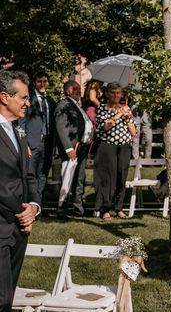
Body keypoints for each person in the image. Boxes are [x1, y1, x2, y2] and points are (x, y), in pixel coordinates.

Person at [0, 70, 43, 312]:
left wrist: (34, 206)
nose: (29, 103)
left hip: (18, 228)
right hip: (3, 223)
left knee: (7, 297)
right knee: (0, 297)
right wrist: (19, 211)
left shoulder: (20, 131)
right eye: (24, 97)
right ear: (5, 97)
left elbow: (31, 177)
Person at [94, 82, 137, 220]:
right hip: (108, 147)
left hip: (124, 147)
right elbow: (104, 127)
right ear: (107, 94)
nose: (116, 95)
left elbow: (134, 132)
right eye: (113, 92)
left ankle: (118, 207)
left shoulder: (126, 109)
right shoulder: (102, 108)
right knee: (107, 178)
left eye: (118, 93)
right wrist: (118, 115)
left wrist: (128, 118)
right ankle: (105, 209)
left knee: (121, 177)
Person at [53, 80, 94, 219]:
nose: (78, 90)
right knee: (68, 178)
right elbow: (61, 127)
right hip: (72, 148)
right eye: (74, 88)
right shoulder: (63, 104)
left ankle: (78, 208)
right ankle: (62, 209)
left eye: (79, 88)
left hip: (81, 148)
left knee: (79, 179)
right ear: (67, 90)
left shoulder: (77, 104)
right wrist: (68, 148)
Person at [23, 71, 56, 205]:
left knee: (42, 176)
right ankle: (27, 204)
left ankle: (38, 206)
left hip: (47, 143)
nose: (42, 84)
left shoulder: (50, 101)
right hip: (32, 143)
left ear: (48, 83)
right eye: (39, 81)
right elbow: (21, 121)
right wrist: (24, 143)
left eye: (44, 81)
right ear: (34, 83)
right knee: (30, 176)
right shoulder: (28, 99)